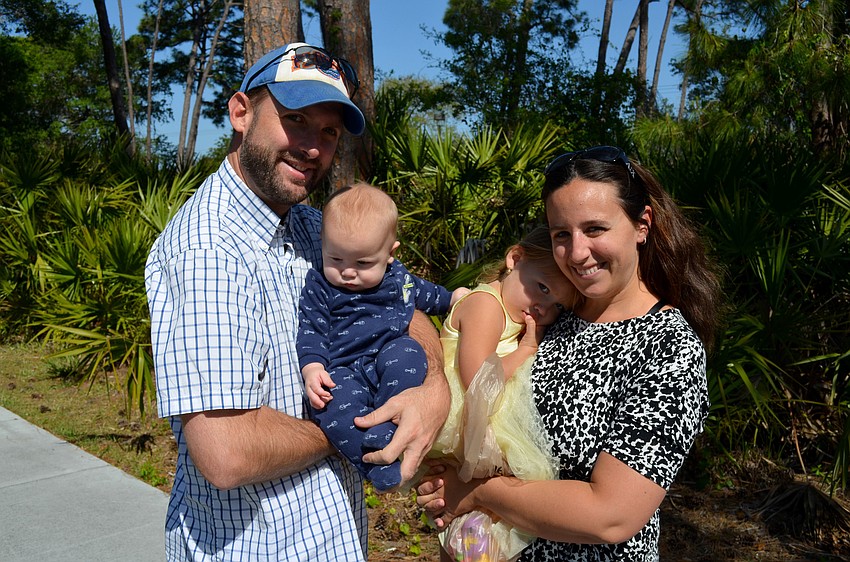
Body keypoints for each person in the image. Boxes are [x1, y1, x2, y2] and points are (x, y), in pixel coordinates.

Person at [146, 42, 450, 561]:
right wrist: (359, 423)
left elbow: (398, 297)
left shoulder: (314, 227)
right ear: (241, 113)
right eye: (295, 119)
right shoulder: (209, 250)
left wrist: (433, 387)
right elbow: (228, 453)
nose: (312, 146)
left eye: (328, 131)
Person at [417, 146, 722, 561]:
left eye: (595, 229)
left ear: (641, 225)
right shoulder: (551, 313)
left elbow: (610, 515)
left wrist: (475, 491)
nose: (577, 253)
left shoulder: (668, 349)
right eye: (562, 234)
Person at [297, 182, 466, 492]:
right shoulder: (320, 284)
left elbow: (426, 294)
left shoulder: (398, 278)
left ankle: (389, 420)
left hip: (387, 352)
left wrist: (454, 298)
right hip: (342, 367)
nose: (347, 273)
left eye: (362, 263)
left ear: (390, 254)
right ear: (322, 244)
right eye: (335, 259)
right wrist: (312, 367)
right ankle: (372, 462)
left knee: (408, 353)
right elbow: (311, 327)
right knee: (333, 410)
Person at [431, 226, 577, 561]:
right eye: (541, 288)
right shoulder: (486, 304)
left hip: (486, 416)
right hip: (468, 415)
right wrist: (526, 350)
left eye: (557, 305)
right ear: (515, 259)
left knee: (494, 511)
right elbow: (478, 378)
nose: (543, 308)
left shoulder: (509, 311)